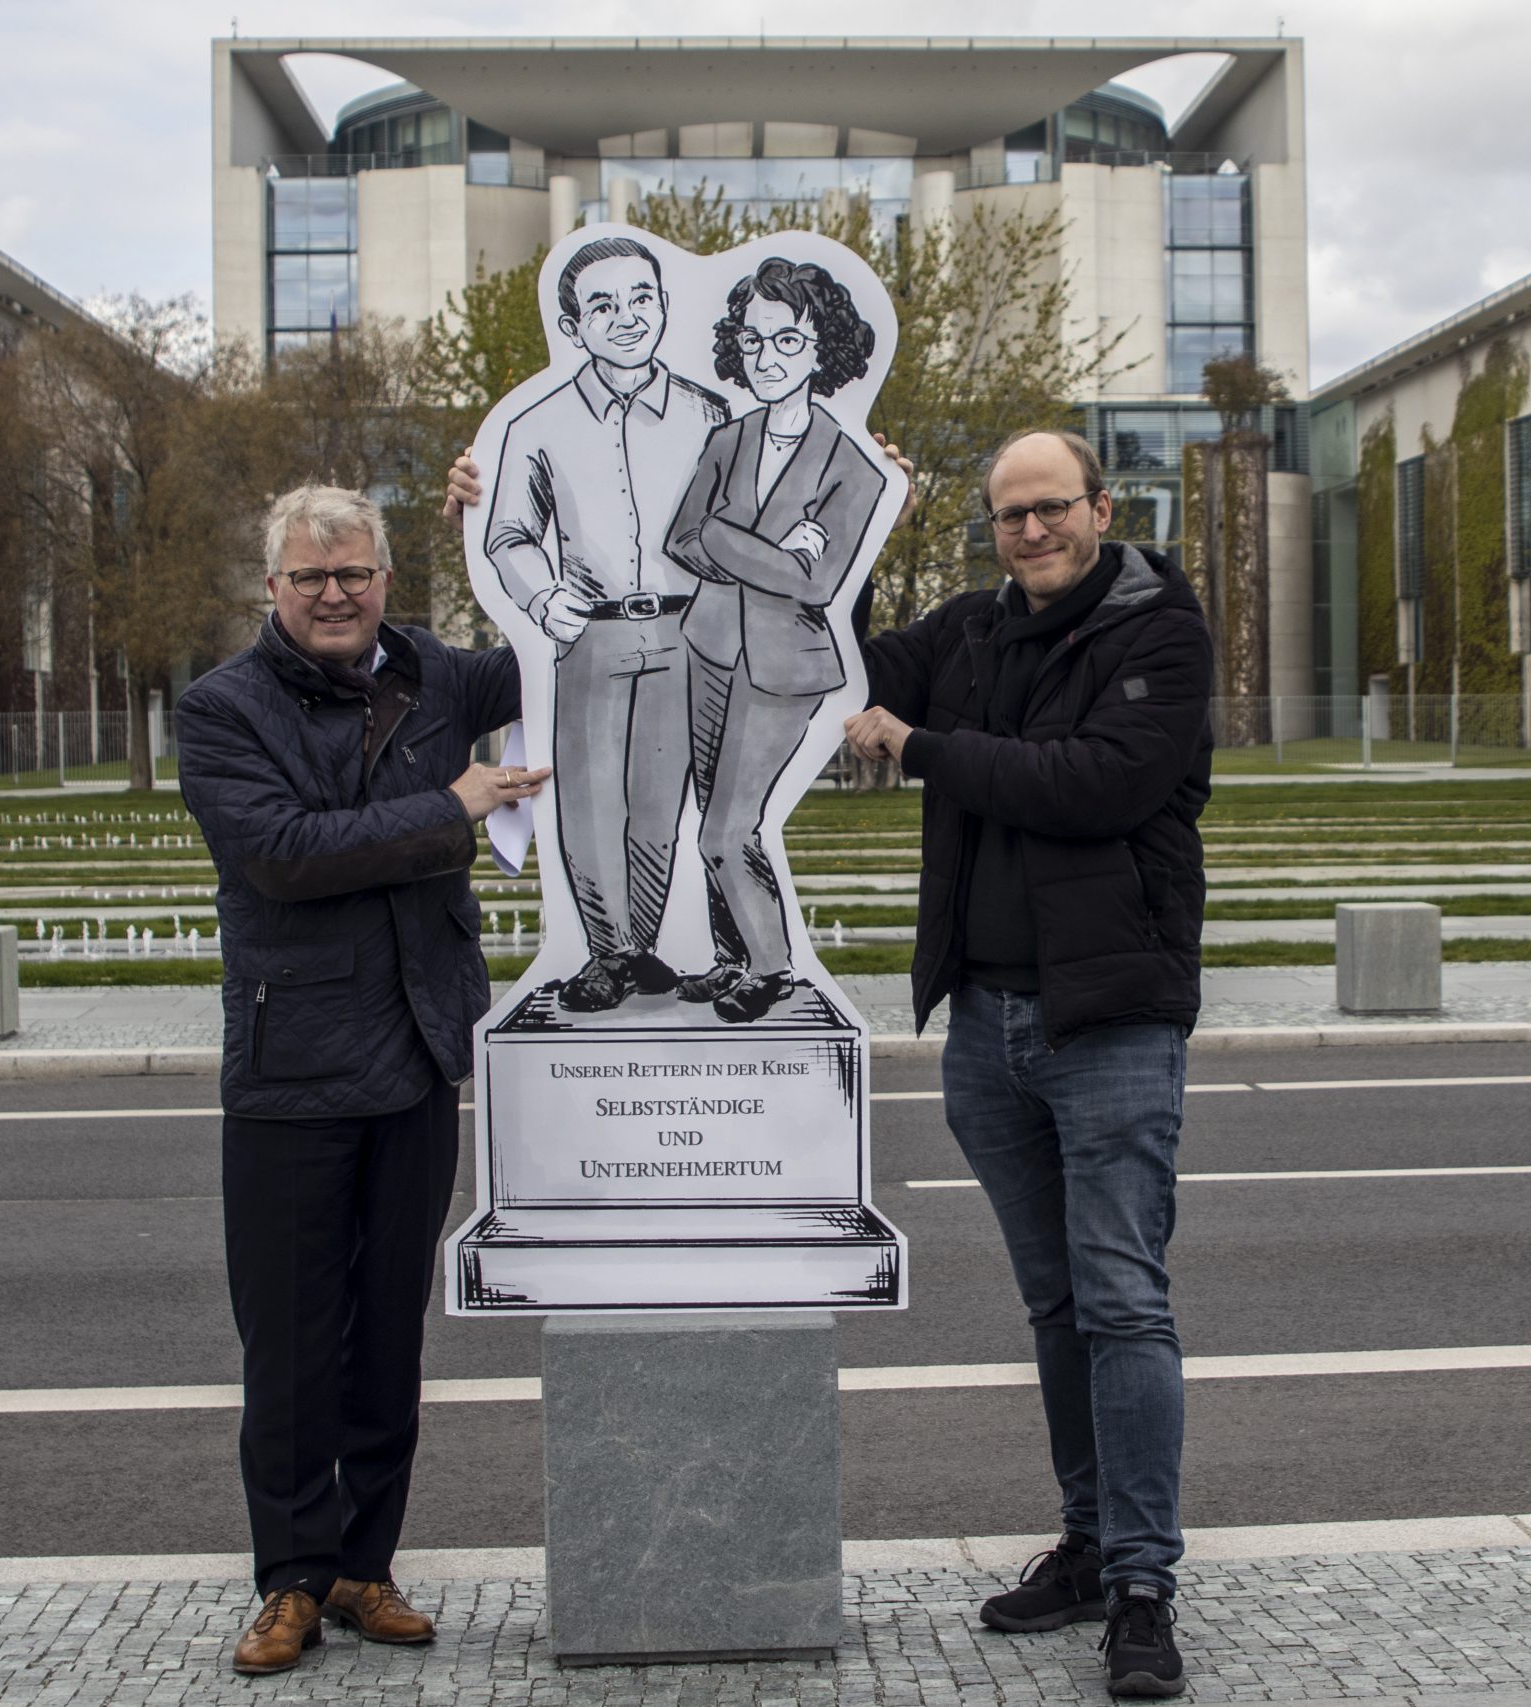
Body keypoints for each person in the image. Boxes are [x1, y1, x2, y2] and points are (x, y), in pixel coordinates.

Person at [842, 429, 1212, 1700]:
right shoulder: (967, 630)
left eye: (1051, 508)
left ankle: (1145, 1590)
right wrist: (855, 487)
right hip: (987, 1030)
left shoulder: (1160, 629)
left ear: (1101, 508)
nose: (1031, 531)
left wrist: (923, 747)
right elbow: (822, 646)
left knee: (1122, 1304)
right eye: (1009, 516)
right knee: (1057, 1310)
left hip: (1108, 1023)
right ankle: (1091, 1544)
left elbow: (1096, 785)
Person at [176, 484, 548, 1677]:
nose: (334, 594)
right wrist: (450, 808)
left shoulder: (440, 674)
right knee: (288, 1347)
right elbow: (282, 855)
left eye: (356, 573)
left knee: (388, 1338)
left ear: (388, 577)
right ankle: (286, 1579)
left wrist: (506, 503)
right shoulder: (222, 708)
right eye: (309, 576)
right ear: (270, 590)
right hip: (290, 1071)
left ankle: (361, 1567)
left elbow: (568, 635)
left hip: (416, 1057)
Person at [477, 235, 729, 1014]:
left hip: (688, 633)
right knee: (588, 800)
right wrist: (541, 595)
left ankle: (635, 946)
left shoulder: (708, 413)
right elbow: (506, 534)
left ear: (663, 306)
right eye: (603, 305)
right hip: (590, 633)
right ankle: (606, 951)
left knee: (659, 803)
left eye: (641, 299)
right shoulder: (537, 424)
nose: (626, 318)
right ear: (573, 324)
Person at [662, 257, 889, 1022]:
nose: (766, 359)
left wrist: (733, 541)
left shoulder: (855, 468)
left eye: (786, 342)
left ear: (823, 349)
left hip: (787, 668)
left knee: (730, 826)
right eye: (752, 343)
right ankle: (731, 958)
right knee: (711, 824)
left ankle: (770, 967)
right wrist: (773, 551)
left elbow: (819, 583)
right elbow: (683, 538)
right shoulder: (729, 439)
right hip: (709, 645)